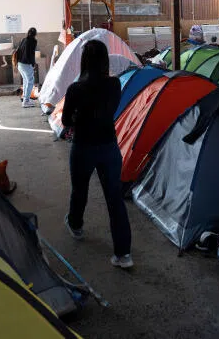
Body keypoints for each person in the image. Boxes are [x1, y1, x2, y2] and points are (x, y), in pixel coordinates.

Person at [61, 40, 133, 269]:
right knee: (115, 200)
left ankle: (76, 225)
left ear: (84, 61)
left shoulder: (75, 88)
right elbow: (109, 111)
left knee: (79, 190)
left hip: (83, 146)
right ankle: (123, 255)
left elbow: (65, 121)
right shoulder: (114, 84)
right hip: (109, 147)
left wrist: (79, 117)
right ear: (105, 60)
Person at [16, 27, 37, 108]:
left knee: (26, 81)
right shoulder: (33, 41)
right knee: (30, 82)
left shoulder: (24, 39)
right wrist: (33, 64)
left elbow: (19, 51)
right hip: (26, 64)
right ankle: (26, 101)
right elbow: (31, 54)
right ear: (35, 34)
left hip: (20, 64)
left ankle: (25, 99)